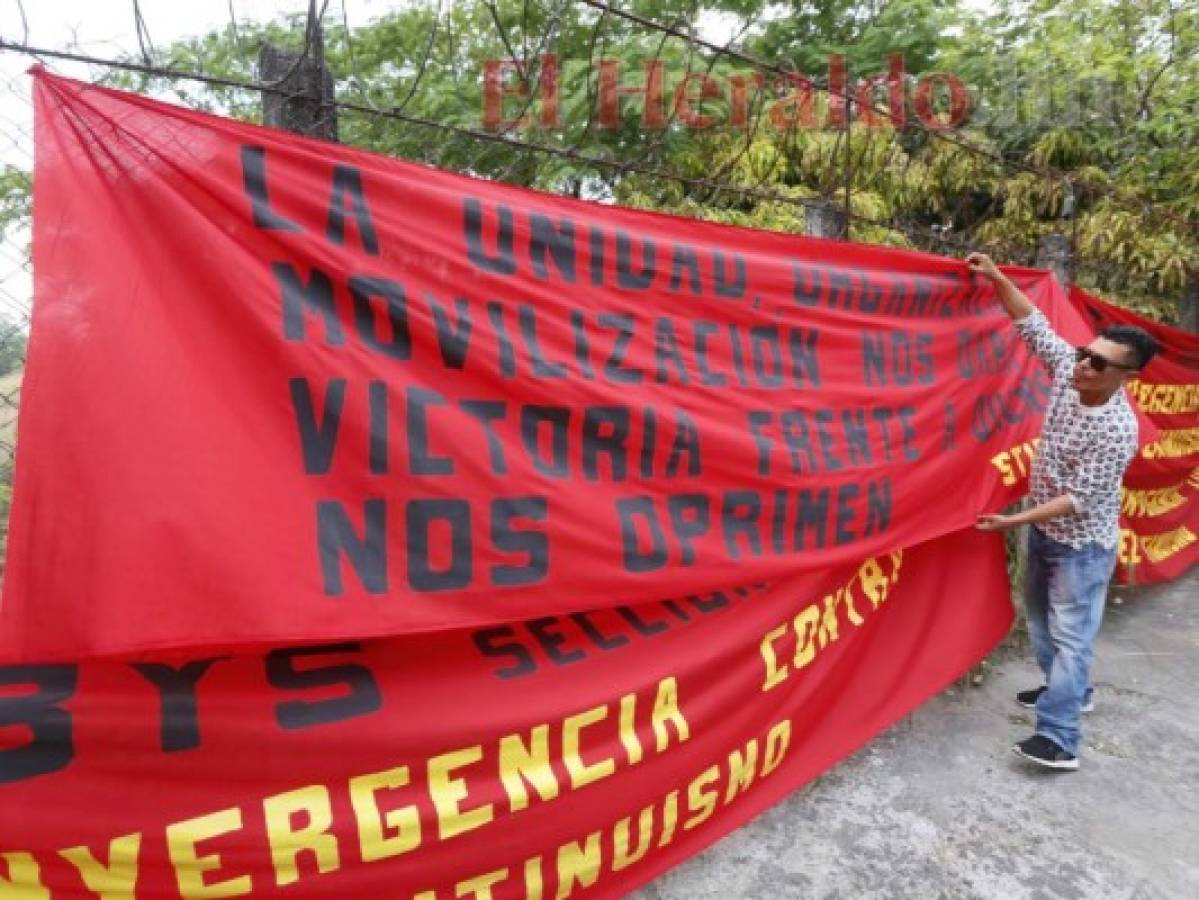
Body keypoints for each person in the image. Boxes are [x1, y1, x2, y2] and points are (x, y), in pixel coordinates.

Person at [967, 252, 1160, 771]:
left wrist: (1012, 521)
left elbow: (1078, 499)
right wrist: (996, 277)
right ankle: (1070, 691)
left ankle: (1059, 737)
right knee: (1043, 626)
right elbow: (1032, 324)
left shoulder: (1117, 430)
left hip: (1082, 545)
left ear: (1129, 377)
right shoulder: (1069, 375)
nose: (1082, 364)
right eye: (1083, 353)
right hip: (1045, 531)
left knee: (1072, 635)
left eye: (1098, 362)